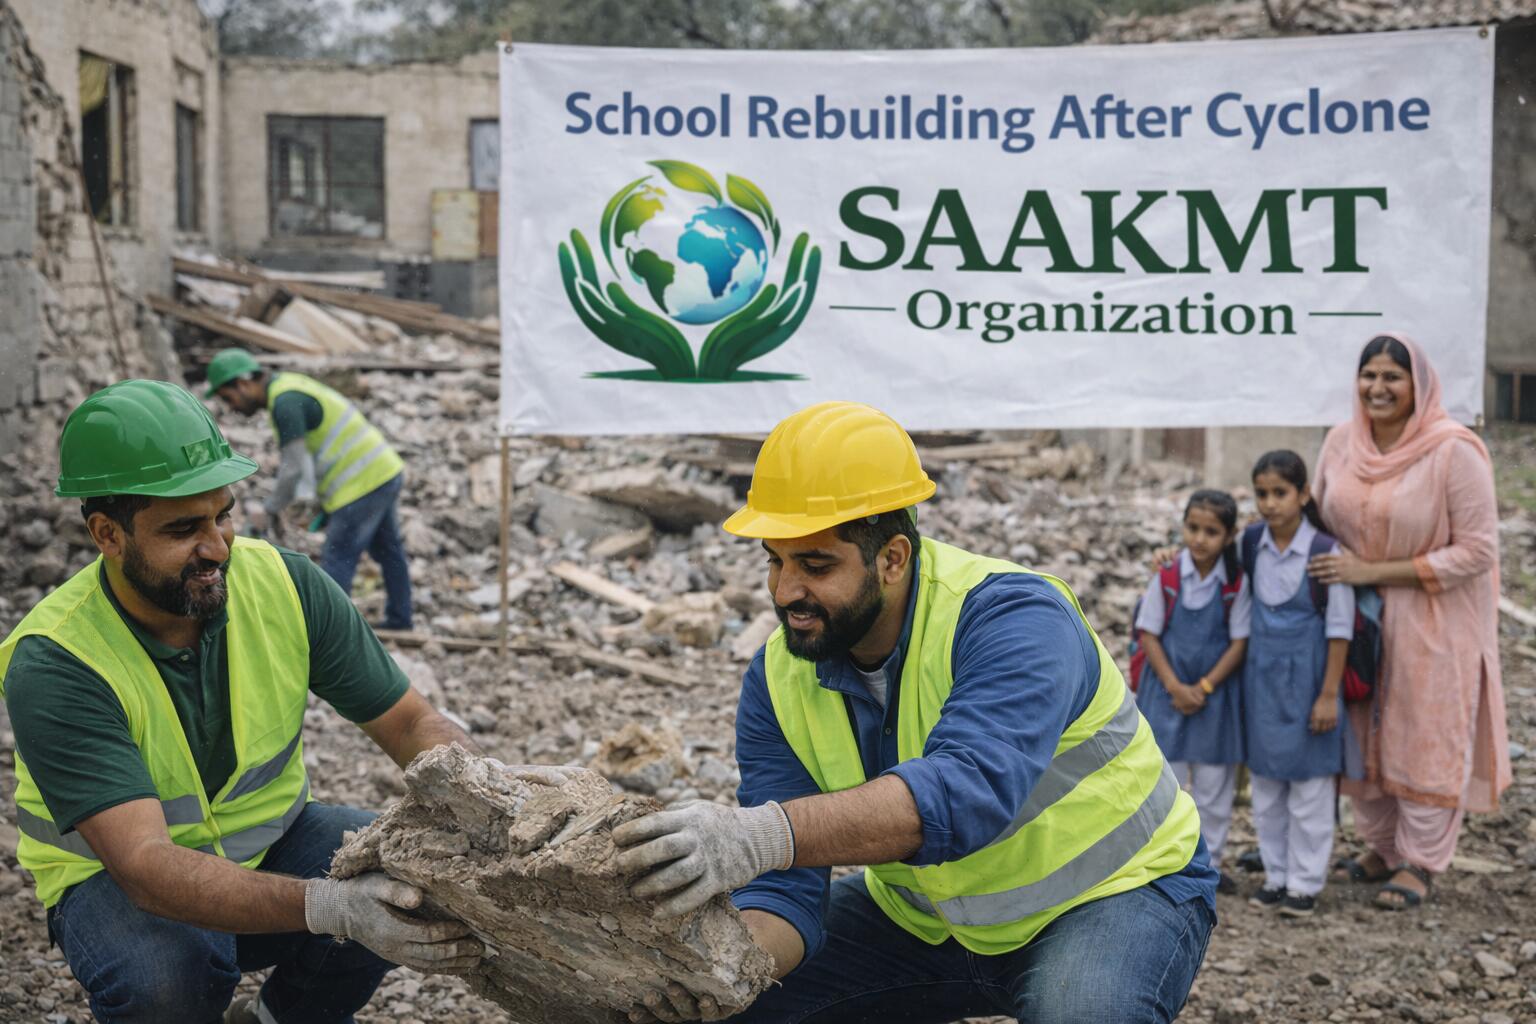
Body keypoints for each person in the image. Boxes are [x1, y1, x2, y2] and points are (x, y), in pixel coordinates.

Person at [611, 401, 1217, 1024]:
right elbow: (785, 888)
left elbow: (963, 795)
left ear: (893, 558)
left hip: (1114, 894)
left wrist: (764, 834)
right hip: (930, 924)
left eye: (816, 565)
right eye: (775, 560)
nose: (786, 590)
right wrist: (723, 978)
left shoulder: (1014, 620)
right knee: (739, 1004)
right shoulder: (779, 675)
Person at [0, 380, 503, 1023]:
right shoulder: (57, 659)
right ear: (108, 534)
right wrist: (328, 906)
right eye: (184, 528)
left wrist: (495, 800)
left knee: (413, 876)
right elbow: (146, 866)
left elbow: (410, 723)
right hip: (115, 885)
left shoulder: (285, 585)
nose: (217, 547)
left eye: (224, 515)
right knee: (169, 983)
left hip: (268, 843)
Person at [1308, 333, 1510, 910]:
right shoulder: (1342, 443)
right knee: (1362, 722)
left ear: (1419, 386)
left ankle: (1420, 860)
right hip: (1358, 618)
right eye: (1368, 375)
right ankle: (1381, 845)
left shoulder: (1453, 450)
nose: (1377, 388)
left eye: (1392, 377)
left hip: (1434, 616)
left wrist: (1372, 570)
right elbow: (1315, 518)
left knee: (1424, 731)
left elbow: (1477, 550)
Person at [205, 348, 413, 632]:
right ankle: (401, 620)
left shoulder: (285, 403)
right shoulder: (289, 387)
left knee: (338, 555)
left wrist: (270, 509)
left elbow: (293, 469)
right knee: (389, 550)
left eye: (229, 398)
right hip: (383, 470)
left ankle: (327, 633)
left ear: (243, 384)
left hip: (362, 483)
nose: (232, 407)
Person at [1241, 450, 1354, 919]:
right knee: (1266, 788)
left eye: (1280, 493)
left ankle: (1305, 883)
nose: (1270, 504)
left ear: (1304, 494)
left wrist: (1328, 694)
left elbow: (1339, 628)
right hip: (1262, 685)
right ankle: (1276, 874)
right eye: (1262, 494)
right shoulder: (1250, 544)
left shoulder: (1325, 553)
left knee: (1309, 791)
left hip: (1310, 685)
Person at [1133, 489, 1250, 893]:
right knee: (1164, 780)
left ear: (1229, 536)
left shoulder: (1235, 584)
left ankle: (1210, 862)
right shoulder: (1166, 577)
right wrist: (1174, 686)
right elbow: (1148, 633)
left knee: (1215, 788)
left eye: (1211, 531)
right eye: (1193, 528)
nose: (1200, 539)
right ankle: (1163, 863)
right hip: (1166, 694)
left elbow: (1239, 641)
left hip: (1212, 699)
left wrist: (1202, 687)